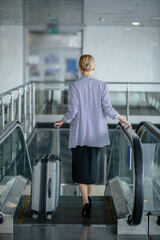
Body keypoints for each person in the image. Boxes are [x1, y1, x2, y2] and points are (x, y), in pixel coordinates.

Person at [54, 54, 131, 217]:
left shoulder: (75, 86)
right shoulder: (102, 85)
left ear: (80, 69)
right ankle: (89, 195)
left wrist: (62, 121)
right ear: (93, 68)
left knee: (81, 169)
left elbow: (73, 110)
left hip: (80, 133)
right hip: (97, 134)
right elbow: (108, 108)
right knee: (91, 167)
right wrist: (121, 117)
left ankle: (85, 201)